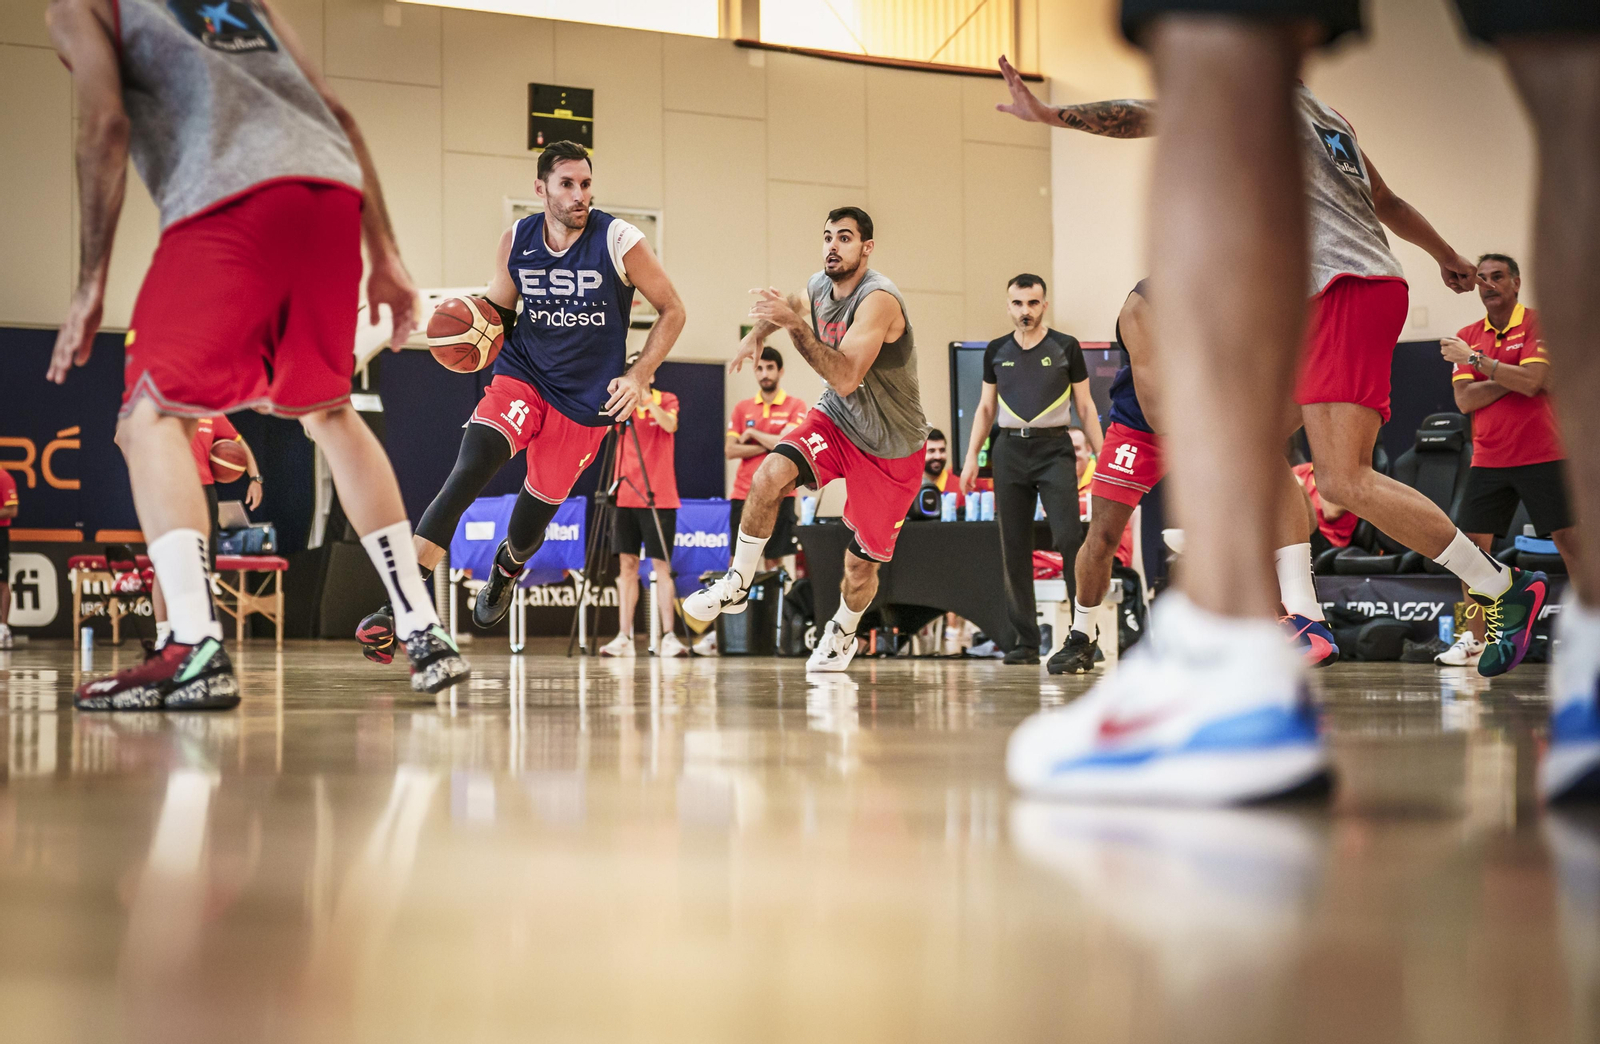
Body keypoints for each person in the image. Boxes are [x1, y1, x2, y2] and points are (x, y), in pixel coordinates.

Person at [997, 1, 1597, 803]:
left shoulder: (1273, 97)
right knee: (1258, 449)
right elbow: (1386, 204)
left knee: (1342, 479)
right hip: (1363, 286)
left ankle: (1483, 589)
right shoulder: (1329, 115)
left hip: (1343, 293)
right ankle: (1293, 619)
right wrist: (1447, 256)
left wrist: (1056, 114)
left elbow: (1156, 111)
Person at [47, 0, 468, 706]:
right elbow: (339, 111)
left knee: (148, 419)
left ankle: (191, 644)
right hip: (330, 195)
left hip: (229, 200)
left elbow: (106, 127)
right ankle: (422, 625)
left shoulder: (80, 6)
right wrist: (386, 254)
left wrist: (90, 281)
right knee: (330, 411)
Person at [354, 140, 686, 660]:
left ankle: (506, 570)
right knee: (470, 468)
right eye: (567, 184)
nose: (581, 195)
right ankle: (399, 606)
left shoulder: (619, 239)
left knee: (528, 526)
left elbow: (673, 310)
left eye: (586, 184)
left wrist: (640, 374)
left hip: (584, 403)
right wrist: (460, 321)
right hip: (523, 377)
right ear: (541, 190)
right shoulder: (518, 238)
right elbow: (499, 313)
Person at [1047, 282, 1339, 676]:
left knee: (1270, 461)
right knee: (1102, 534)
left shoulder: (1247, 294)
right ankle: (1081, 636)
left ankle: (1305, 614)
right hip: (1143, 426)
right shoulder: (1143, 307)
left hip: (1217, 414)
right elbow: (1156, 413)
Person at [684, 207, 931, 673]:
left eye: (844, 238)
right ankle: (737, 583)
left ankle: (843, 631)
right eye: (827, 237)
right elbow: (792, 305)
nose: (833, 246)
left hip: (891, 448)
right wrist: (755, 337)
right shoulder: (819, 284)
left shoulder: (879, 300)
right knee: (769, 473)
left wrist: (794, 328)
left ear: (867, 247)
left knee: (859, 568)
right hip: (838, 422)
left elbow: (844, 375)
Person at [1437, 253, 1575, 667]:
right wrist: (1511, 373)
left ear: (1515, 283)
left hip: (1545, 454)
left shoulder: (1537, 322)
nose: (1488, 284)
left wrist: (1480, 364)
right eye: (1482, 278)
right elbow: (1465, 400)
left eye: (1497, 277)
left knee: (1575, 545)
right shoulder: (1467, 333)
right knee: (1470, 552)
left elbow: (1536, 382)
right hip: (1488, 459)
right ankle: (1474, 638)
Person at [959, 274, 1103, 665]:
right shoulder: (996, 351)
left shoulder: (1065, 347)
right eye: (1019, 304)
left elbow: (1086, 407)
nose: (1026, 311)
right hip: (1008, 450)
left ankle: (1084, 632)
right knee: (1014, 546)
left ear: (1044, 305)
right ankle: (1024, 642)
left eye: (1033, 303)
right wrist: (973, 455)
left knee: (1071, 539)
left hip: (1055, 448)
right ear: (1008, 306)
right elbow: (986, 408)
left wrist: (1103, 454)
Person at [149, 415, 265, 649]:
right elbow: (125, 438)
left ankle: (195, 633)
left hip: (204, 491)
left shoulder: (212, 412)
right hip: (172, 486)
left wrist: (255, 479)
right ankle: (163, 633)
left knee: (204, 566)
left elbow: (241, 444)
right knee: (167, 563)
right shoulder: (165, 406)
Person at [601, 359, 688, 658]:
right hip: (624, 496)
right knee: (626, 566)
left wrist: (648, 401)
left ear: (650, 374)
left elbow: (670, 424)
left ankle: (668, 636)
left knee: (661, 567)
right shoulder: (622, 407)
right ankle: (623, 636)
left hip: (659, 498)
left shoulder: (667, 400)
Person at [725, 345, 808, 569]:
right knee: (738, 561)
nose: (764, 373)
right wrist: (770, 445)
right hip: (744, 493)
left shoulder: (795, 405)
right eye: (759, 368)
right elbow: (730, 450)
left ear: (780, 371)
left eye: (770, 368)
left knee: (774, 561)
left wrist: (752, 434)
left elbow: (787, 444)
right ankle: (740, 606)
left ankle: (775, 606)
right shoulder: (743, 408)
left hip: (782, 493)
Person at [922, 429, 962, 508]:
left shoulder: (960, 486)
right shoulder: (909, 486)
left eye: (942, 450)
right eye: (931, 451)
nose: (938, 456)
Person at [0, 466, 15, 650]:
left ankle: (3, 628)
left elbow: (12, 510)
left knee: (2, 582)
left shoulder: (3, 477)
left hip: (0, 533)